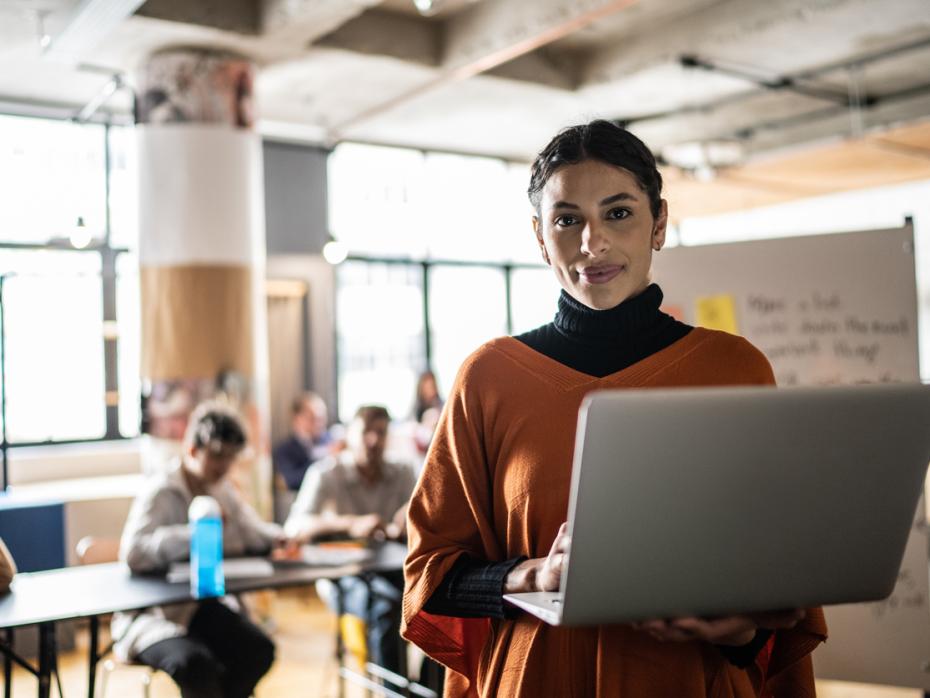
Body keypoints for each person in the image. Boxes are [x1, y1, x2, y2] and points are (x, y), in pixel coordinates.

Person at [401, 120, 827, 697]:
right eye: (567, 219)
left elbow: (783, 592)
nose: (591, 243)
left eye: (619, 213)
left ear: (659, 224)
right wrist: (536, 576)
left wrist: (740, 631)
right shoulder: (489, 377)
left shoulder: (734, 369)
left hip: (688, 680)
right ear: (539, 235)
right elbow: (431, 574)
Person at [113, 401, 282, 698]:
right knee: (195, 665)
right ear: (192, 449)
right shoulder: (161, 491)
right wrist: (195, 535)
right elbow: (134, 553)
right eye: (217, 456)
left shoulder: (221, 488)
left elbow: (252, 531)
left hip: (197, 607)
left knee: (259, 650)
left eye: (230, 458)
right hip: (152, 615)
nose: (224, 466)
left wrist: (283, 538)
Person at [285, 404, 416, 675]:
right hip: (342, 574)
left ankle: (425, 687)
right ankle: (393, 689)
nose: (374, 440)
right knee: (388, 605)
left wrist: (413, 517)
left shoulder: (402, 471)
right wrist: (349, 524)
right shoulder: (325, 473)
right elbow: (294, 529)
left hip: (394, 568)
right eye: (367, 431)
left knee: (441, 599)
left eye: (381, 432)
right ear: (348, 435)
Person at [273, 391, 338, 491]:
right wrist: (325, 457)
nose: (319, 423)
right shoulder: (284, 450)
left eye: (322, 418)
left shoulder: (333, 441)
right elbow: (291, 481)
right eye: (313, 418)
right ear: (297, 419)